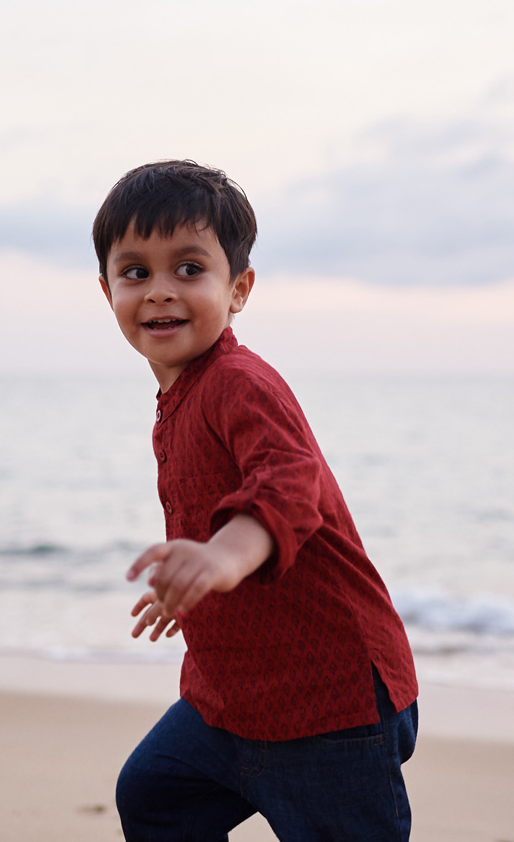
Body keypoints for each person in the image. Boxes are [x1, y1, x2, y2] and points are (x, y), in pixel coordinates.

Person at [93, 159, 419, 841]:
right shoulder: (180, 392)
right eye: (135, 272)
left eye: (189, 269)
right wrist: (195, 580)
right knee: (155, 797)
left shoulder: (240, 382)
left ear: (238, 289)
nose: (159, 292)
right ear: (107, 291)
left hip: (327, 707)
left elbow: (285, 485)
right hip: (231, 700)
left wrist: (221, 559)